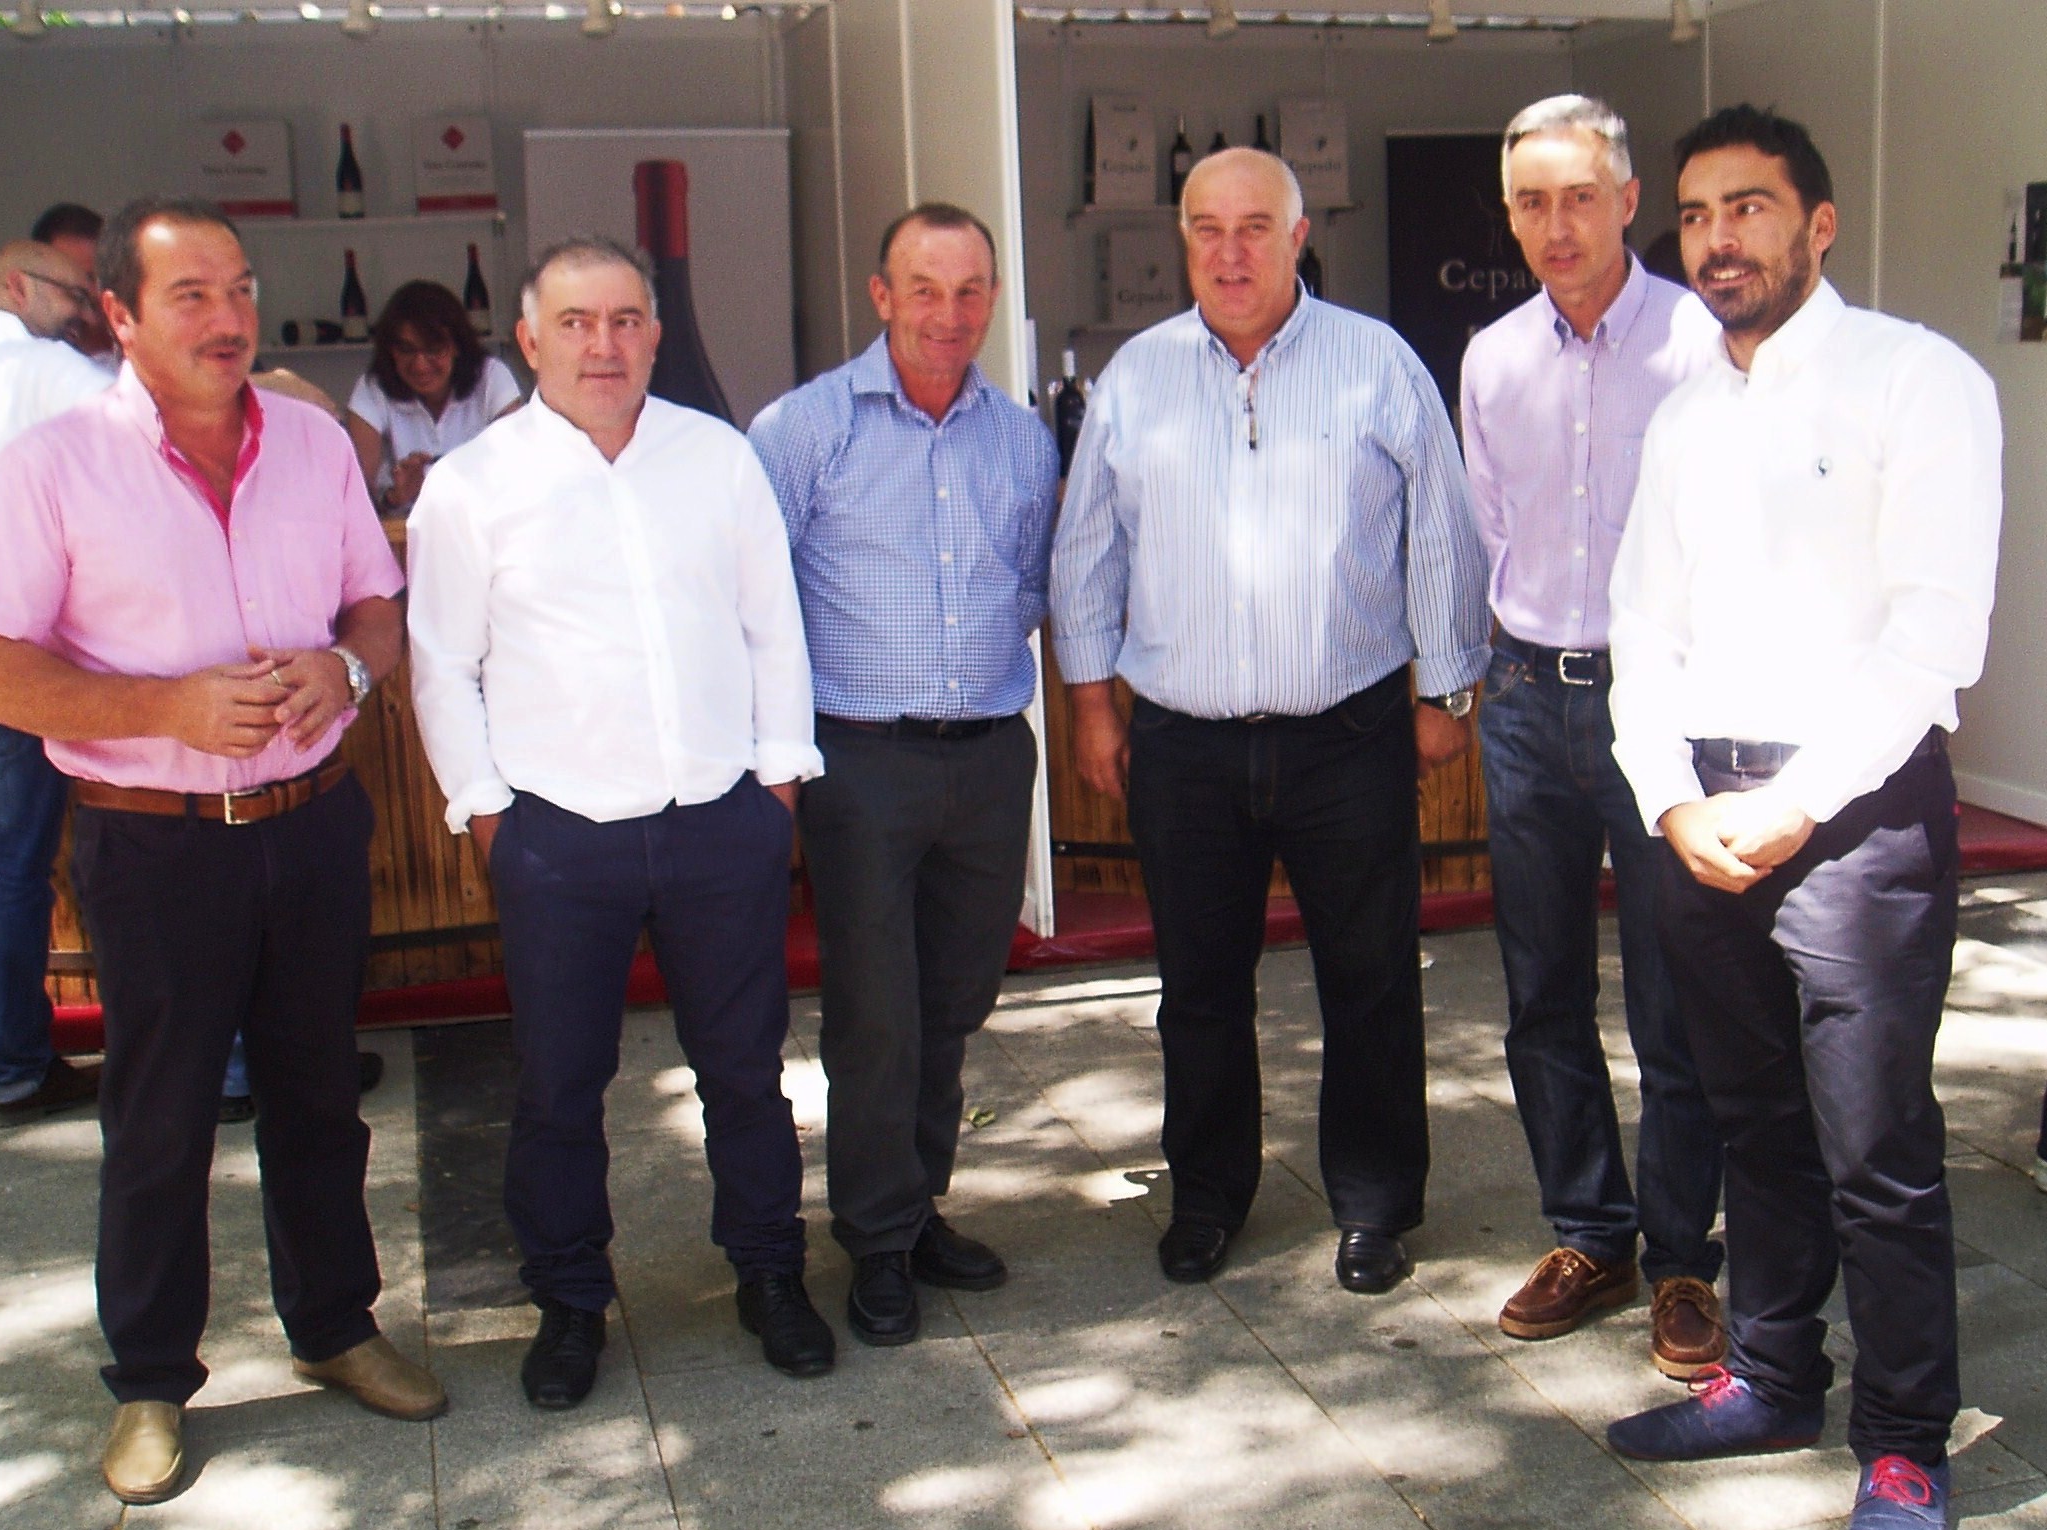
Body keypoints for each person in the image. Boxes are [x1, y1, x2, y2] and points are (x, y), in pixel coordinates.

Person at [0, 196, 446, 1507]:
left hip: (313, 822)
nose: (229, 318)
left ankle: (335, 1324)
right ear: (118, 314)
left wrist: (347, 669)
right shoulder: (53, 464)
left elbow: (377, 606)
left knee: (318, 1097)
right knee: (160, 1118)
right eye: (192, 296)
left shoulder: (313, 444)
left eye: (239, 290)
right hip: (154, 840)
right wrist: (162, 706)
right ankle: (151, 1378)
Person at [1601, 107, 2001, 1530]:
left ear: (1818, 225)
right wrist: (1668, 800)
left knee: (1874, 1146)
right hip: (1704, 811)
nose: (1720, 238)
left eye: (1751, 207)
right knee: (1749, 1117)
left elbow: (1932, 637)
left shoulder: (1917, 380)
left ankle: (1902, 1439)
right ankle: (1771, 1375)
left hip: (1860, 812)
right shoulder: (1682, 415)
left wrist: (1798, 803)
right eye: (1699, 213)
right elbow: (1641, 625)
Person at [1051, 148, 1490, 1295]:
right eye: (1208, 228)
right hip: (1184, 742)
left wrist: (1448, 689)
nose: (1231, 251)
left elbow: (1442, 530)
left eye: (1255, 227)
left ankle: (1376, 1202)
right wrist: (1091, 700)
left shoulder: (1376, 362)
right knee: (1198, 987)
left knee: (1371, 977)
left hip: (1347, 733)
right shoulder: (1137, 377)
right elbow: (1087, 548)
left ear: (1298, 237)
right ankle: (1207, 1196)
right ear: (1183, 240)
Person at [408, 237, 833, 1404]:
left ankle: (769, 1271)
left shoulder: (717, 458)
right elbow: (442, 665)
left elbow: (773, 629)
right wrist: (490, 817)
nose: (605, 344)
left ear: (654, 331)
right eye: (577, 322)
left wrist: (777, 788)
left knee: (744, 1069)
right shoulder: (474, 485)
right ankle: (568, 1301)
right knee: (558, 1083)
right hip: (559, 833)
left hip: (718, 821)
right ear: (529, 339)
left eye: (626, 319)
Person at [747, 204, 1056, 1348]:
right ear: (881, 296)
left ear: (991, 298)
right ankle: (877, 1237)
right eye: (924, 288)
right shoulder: (803, 429)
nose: (948, 313)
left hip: (988, 758)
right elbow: (751, 597)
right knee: (877, 1011)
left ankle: (918, 1206)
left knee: (953, 1000)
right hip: (860, 760)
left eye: (969, 290)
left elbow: (1032, 585)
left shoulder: (1021, 439)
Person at [1459, 94, 1727, 1378]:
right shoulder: (1491, 357)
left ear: (1628, 200)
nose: (1556, 225)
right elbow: (1491, 526)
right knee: (1543, 989)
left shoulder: (1703, 342)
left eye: (1579, 197)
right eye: (1532, 202)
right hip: (1527, 696)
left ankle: (1682, 1257)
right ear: (1510, 215)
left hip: (1663, 701)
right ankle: (1589, 1233)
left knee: (1678, 997)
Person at [0, 242, 112, 1123]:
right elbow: (140, 433)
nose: (83, 313)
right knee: (10, 863)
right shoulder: (43, 369)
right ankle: (18, 1065)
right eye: (74, 294)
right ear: (17, 286)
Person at [344, 280, 522, 513]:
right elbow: (352, 501)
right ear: (390, 351)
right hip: (405, 531)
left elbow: (521, 471)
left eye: (434, 350)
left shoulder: (490, 376)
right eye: (407, 350)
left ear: (457, 346)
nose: (420, 365)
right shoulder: (373, 387)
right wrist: (395, 497)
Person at [29, 202, 115, 365]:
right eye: (75, 280)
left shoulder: (141, 349)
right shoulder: (32, 362)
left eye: (100, 276)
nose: (93, 291)